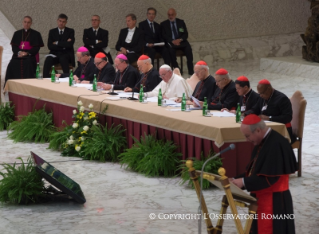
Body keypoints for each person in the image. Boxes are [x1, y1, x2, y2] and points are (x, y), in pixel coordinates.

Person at [232, 114, 297, 234]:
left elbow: (269, 178)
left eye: (247, 136)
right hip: (261, 196)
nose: (247, 140)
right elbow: (255, 170)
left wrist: (244, 182)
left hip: (274, 201)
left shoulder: (276, 144)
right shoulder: (263, 141)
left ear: (258, 130)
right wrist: (236, 179)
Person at [244, 79, 296, 143]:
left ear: (269, 89)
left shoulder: (282, 98)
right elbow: (255, 109)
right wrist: (246, 114)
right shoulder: (262, 97)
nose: (260, 96)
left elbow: (287, 117)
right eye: (259, 93)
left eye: (262, 93)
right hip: (266, 129)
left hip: (281, 131)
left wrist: (269, 118)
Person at [5, 16, 44, 84]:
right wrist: (19, 52)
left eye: (28, 22)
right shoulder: (17, 33)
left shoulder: (36, 34)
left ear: (31, 23)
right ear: (22, 22)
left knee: (28, 63)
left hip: (29, 56)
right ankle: (12, 85)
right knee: (12, 64)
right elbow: (14, 47)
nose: (26, 24)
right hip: (18, 55)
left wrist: (27, 53)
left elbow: (36, 48)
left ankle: (28, 84)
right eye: (25, 22)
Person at [160, 8, 194, 75]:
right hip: (171, 43)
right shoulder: (164, 24)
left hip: (182, 42)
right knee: (170, 51)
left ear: (175, 14)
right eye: (169, 15)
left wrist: (180, 40)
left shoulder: (181, 22)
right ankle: (177, 69)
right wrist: (172, 41)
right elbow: (164, 35)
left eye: (172, 15)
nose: (170, 16)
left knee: (189, 50)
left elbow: (185, 34)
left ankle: (191, 70)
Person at [43, 14, 75, 78]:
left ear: (66, 22)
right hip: (54, 54)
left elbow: (70, 45)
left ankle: (67, 78)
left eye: (63, 22)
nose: (61, 23)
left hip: (66, 54)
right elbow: (50, 46)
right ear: (57, 21)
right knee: (48, 59)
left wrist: (57, 43)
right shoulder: (52, 31)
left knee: (63, 59)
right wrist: (64, 44)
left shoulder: (70, 31)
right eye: (60, 21)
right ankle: (45, 78)